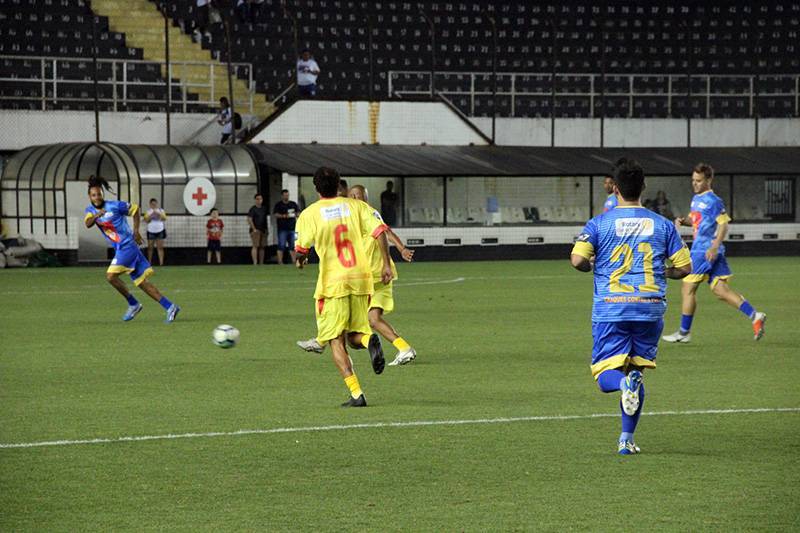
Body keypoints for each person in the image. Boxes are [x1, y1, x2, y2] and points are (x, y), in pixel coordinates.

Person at [570, 159, 692, 455]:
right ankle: (626, 439)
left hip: (611, 308)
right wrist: (663, 272)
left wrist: (592, 265)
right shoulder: (663, 225)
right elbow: (685, 268)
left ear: (615, 188)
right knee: (636, 373)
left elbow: (577, 260)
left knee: (605, 378)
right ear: (643, 187)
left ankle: (624, 385)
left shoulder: (599, 223)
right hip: (650, 309)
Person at [294, 167, 393, 407]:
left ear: (316, 188)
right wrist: (386, 264)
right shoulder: (357, 206)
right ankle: (369, 340)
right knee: (353, 337)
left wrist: (301, 260)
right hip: (361, 279)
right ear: (339, 185)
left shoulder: (309, 214)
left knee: (335, 340)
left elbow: (301, 250)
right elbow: (381, 230)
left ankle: (357, 395)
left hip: (333, 284)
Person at [297, 185, 417, 366]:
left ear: (365, 197)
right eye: (351, 195)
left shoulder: (368, 212)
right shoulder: (351, 214)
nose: (354, 198)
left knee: (358, 321)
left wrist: (400, 250)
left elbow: (385, 231)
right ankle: (400, 347)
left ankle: (322, 341)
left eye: (357, 195)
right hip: (364, 277)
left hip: (376, 276)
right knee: (362, 325)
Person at [663, 163, 767, 344]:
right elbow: (697, 220)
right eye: (693, 180)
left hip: (704, 250)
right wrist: (683, 221)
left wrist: (714, 246)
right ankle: (755, 316)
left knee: (687, 288)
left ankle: (684, 332)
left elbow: (723, 224)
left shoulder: (714, 200)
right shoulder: (696, 199)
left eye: (699, 180)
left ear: (709, 180)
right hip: (707, 250)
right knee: (721, 290)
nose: (695, 184)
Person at [84, 176, 180, 323]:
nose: (97, 197)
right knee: (142, 283)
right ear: (90, 197)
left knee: (111, 276)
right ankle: (170, 306)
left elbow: (135, 209)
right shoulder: (90, 210)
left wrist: (136, 231)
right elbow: (88, 223)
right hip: (121, 248)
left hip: (127, 245)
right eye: (93, 195)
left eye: (99, 194)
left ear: (103, 194)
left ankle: (133, 304)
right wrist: (97, 215)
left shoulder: (115, 205)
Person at [273, 189, 301, 265]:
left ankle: (294, 261)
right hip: (282, 229)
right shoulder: (278, 205)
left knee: (293, 245)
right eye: (285, 195)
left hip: (292, 228)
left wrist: (295, 214)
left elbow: (299, 213)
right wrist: (284, 216)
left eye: (287, 195)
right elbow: (275, 214)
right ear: (282, 196)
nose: (286, 197)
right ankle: (280, 262)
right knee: (281, 245)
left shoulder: (293, 204)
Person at [144, 198, 167, 266]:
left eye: (155, 204)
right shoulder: (148, 212)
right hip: (151, 230)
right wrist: (151, 216)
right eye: (152, 204)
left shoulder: (161, 210)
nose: (154, 205)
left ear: (157, 204)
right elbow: (146, 220)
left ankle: (161, 263)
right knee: (150, 248)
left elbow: (164, 218)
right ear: (150, 204)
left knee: (160, 247)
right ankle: (149, 263)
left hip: (160, 230)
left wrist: (158, 214)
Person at [247, 193, 269, 265]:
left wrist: (266, 229)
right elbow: (249, 219)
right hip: (256, 230)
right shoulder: (253, 209)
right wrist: (254, 229)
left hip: (263, 229)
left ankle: (261, 262)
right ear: (255, 200)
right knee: (255, 246)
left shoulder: (264, 209)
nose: (259, 200)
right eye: (257, 199)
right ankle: (255, 262)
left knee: (262, 246)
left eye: (260, 199)